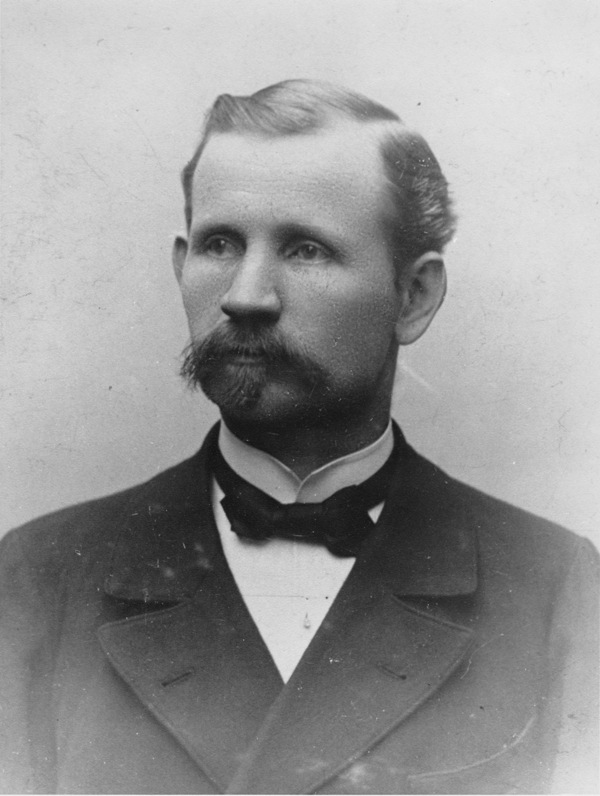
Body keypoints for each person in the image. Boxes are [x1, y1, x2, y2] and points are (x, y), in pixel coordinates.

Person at [0, 79, 597, 795]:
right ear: (181, 265)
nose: (244, 296)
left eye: (307, 250)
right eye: (220, 244)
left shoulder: (555, 590)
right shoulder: (39, 580)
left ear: (414, 297)